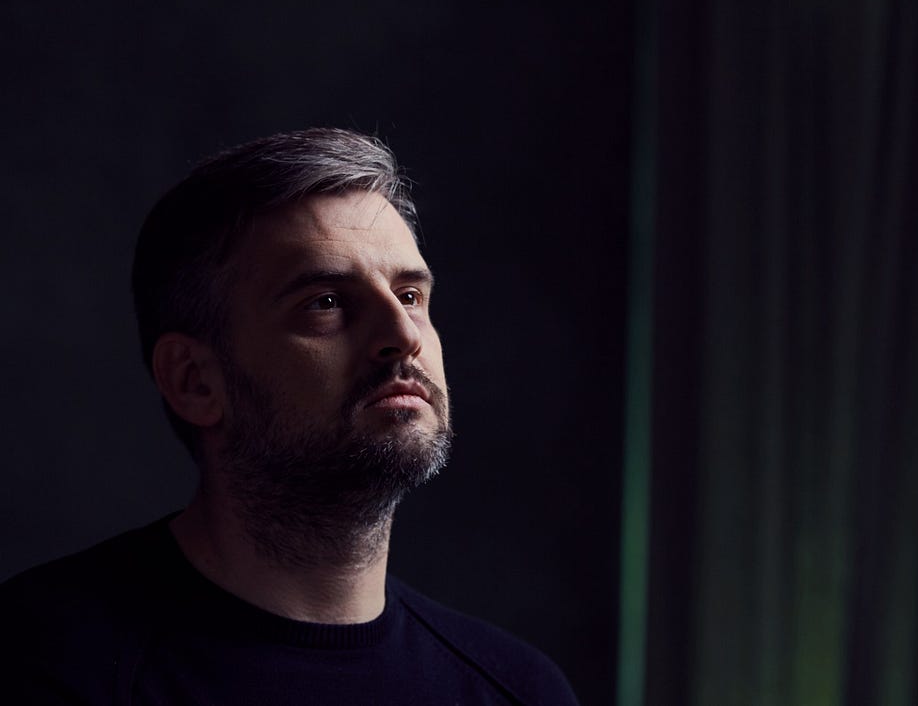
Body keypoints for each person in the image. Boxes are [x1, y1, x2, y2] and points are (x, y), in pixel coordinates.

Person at [0, 128, 580, 705]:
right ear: (194, 380)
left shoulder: (517, 691)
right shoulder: (41, 662)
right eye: (325, 302)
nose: (403, 336)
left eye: (409, 295)